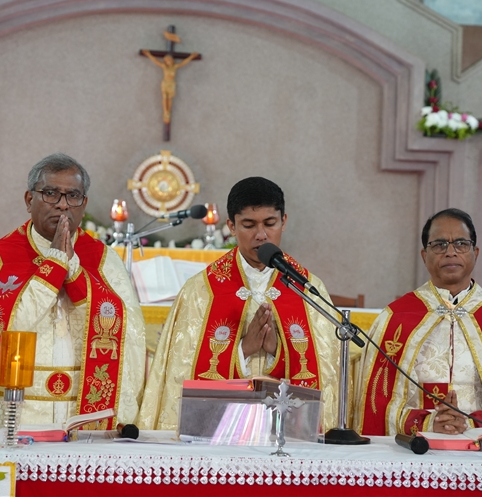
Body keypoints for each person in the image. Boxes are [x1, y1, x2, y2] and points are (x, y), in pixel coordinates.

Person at [0, 153, 146, 495]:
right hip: (17, 414)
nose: (62, 204)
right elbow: (0, 332)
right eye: (51, 193)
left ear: (84, 203)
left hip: (82, 415)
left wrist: (74, 273)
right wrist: (54, 266)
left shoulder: (105, 261)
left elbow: (124, 335)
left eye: (72, 196)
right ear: (29, 199)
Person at [353, 208, 482, 460]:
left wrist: (468, 423)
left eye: (461, 244)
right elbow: (376, 405)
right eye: (439, 244)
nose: (450, 252)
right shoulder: (395, 319)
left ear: (475, 253)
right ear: (424, 255)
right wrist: (429, 423)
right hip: (411, 455)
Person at [137, 177, 340, 431]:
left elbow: (327, 373)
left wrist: (277, 351)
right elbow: (181, 372)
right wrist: (243, 350)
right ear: (231, 226)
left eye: (270, 223)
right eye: (248, 225)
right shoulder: (201, 291)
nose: (261, 235)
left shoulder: (308, 289)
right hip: (220, 433)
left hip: (287, 433)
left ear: (284, 222)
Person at [140, 49, 199, 124]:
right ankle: (165, 112)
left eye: (169, 60)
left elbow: (183, 63)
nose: (168, 62)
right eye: (166, 61)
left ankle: (168, 112)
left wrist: (191, 57)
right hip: (165, 83)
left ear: (172, 61)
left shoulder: (175, 67)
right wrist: (148, 54)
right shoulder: (164, 66)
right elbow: (155, 61)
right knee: (165, 97)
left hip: (171, 84)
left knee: (169, 98)